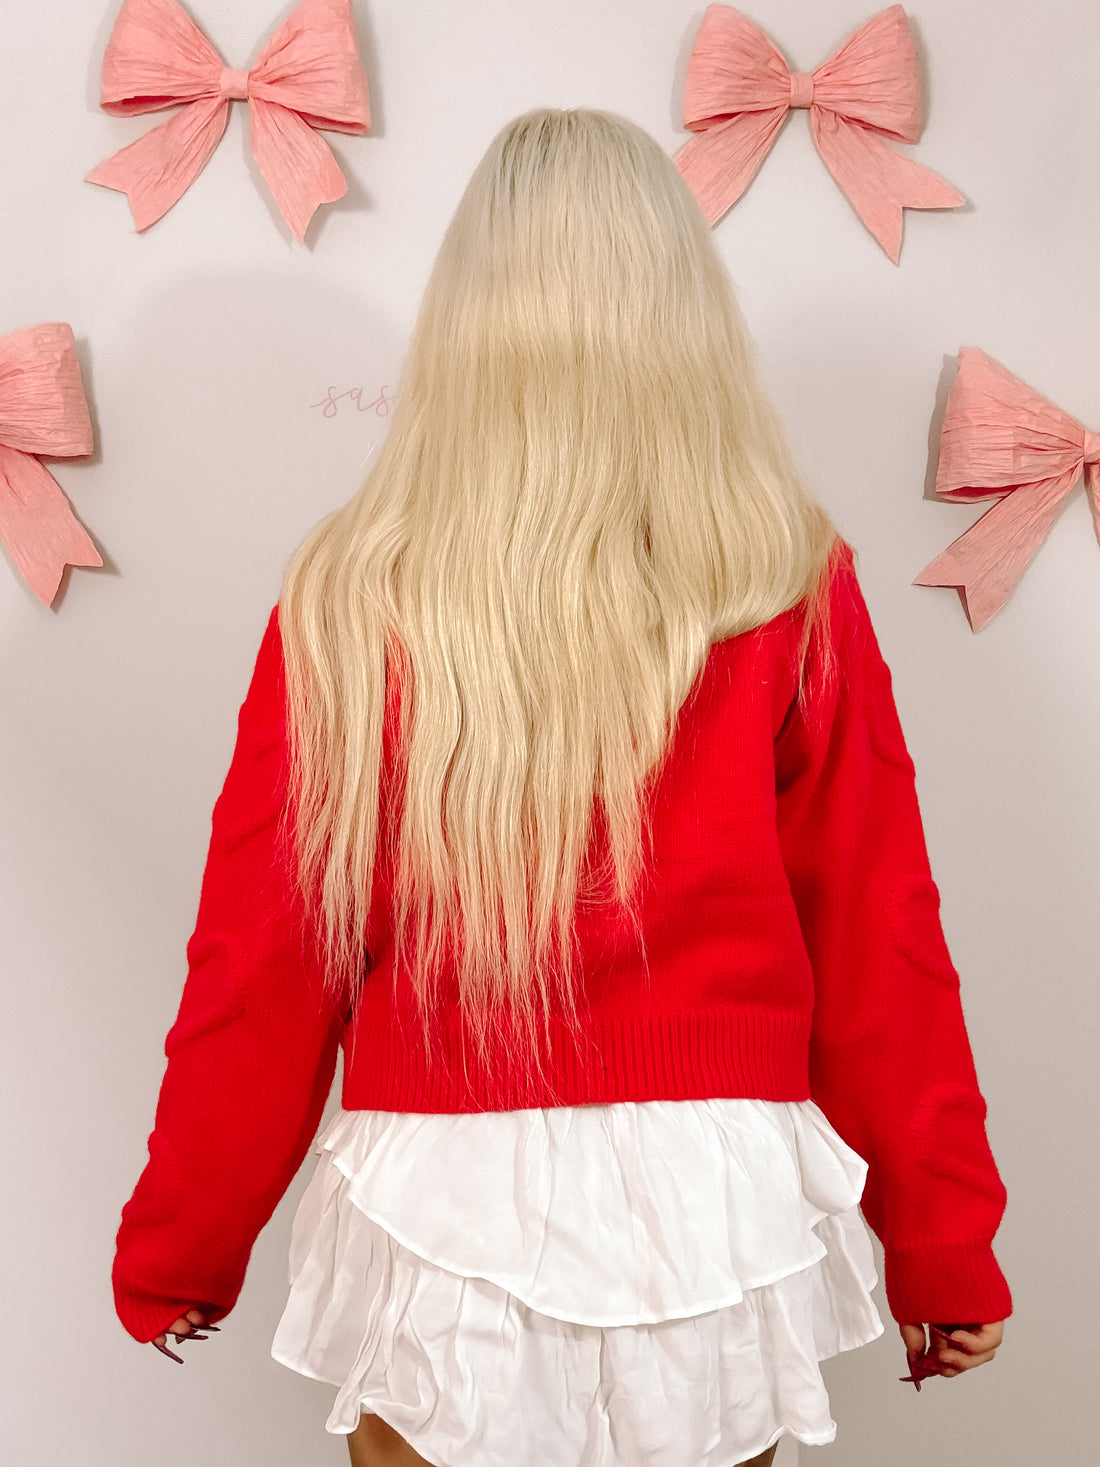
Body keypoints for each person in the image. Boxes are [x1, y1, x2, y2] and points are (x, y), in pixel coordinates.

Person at [111, 108, 1011, 1467]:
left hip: (442, 1196)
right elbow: (883, 934)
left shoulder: (357, 595)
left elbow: (263, 958)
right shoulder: (783, 578)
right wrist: (943, 1246)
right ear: (682, 313)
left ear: (466, 320)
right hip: (714, 1197)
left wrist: (186, 1236)